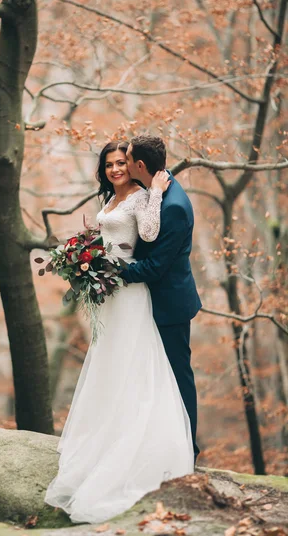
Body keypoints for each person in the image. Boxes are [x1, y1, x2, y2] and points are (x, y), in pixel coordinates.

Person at [44, 140, 195, 525]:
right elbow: (106, 235)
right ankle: (104, 434)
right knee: (108, 363)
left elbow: (146, 234)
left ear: (134, 165)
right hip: (109, 292)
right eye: (109, 164)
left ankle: (159, 446)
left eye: (121, 163)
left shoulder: (148, 197)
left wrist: (155, 195)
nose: (115, 169)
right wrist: (81, 256)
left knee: (137, 363)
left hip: (129, 290)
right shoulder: (111, 197)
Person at [124, 134, 202, 461]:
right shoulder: (154, 191)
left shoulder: (175, 208)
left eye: (127, 159)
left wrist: (115, 271)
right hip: (149, 303)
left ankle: (188, 450)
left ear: (140, 165)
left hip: (170, 306)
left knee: (177, 376)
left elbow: (156, 266)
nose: (124, 164)